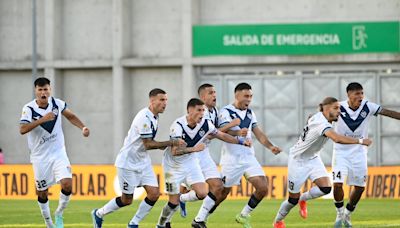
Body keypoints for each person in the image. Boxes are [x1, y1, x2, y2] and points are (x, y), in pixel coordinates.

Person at [91, 88, 186, 228]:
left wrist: (162, 145)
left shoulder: (154, 116)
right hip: (128, 163)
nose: (165, 103)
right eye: (162, 100)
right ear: (152, 101)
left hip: (143, 162)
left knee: (154, 194)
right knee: (127, 200)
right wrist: (171, 143)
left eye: (166, 100)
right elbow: (148, 144)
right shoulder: (144, 118)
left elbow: (148, 142)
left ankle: (133, 223)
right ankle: (99, 214)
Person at [272, 97, 372, 228]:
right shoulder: (322, 124)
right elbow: (336, 138)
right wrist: (360, 141)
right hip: (297, 160)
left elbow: (311, 117)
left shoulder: (319, 116)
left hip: (313, 158)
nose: (339, 112)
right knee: (292, 199)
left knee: (326, 188)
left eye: (340, 108)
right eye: (336, 108)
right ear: (326, 108)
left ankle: (303, 199)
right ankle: (278, 221)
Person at [156, 98, 251, 228]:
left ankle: (189, 208)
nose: (202, 113)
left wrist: (240, 141)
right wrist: (193, 149)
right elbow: (174, 151)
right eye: (199, 110)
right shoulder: (178, 125)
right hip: (172, 166)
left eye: (203, 110)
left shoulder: (206, 124)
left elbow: (221, 135)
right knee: (173, 202)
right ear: (189, 110)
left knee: (202, 193)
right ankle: (161, 224)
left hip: (190, 162)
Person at [19, 77, 90, 228]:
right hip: (39, 157)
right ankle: (48, 222)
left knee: (67, 184)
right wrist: (42, 120)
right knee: (42, 192)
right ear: (35, 91)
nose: (43, 93)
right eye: (40, 90)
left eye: (46, 89)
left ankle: (59, 213)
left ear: (50, 89)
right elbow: (22, 129)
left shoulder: (57, 103)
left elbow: (70, 116)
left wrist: (83, 127)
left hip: (58, 152)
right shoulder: (29, 108)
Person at [332, 82, 400, 228]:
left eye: (362, 93)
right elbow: (324, 115)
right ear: (348, 95)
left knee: (360, 187)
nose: (360, 96)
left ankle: (348, 213)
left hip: (359, 152)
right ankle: (339, 213)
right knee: (337, 184)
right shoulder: (338, 107)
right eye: (357, 94)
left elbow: (387, 112)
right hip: (340, 152)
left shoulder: (368, 106)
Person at [217, 82, 282, 228]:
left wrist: (271, 146)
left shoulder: (250, 113)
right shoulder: (226, 111)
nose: (249, 99)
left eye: (251, 96)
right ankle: (202, 218)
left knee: (263, 188)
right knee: (221, 194)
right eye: (246, 96)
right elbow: (221, 131)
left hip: (248, 157)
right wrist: (237, 133)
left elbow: (259, 134)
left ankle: (243, 215)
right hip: (231, 159)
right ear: (237, 95)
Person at [178, 84, 241, 227]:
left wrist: (239, 136)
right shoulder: (201, 113)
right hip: (192, 153)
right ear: (202, 97)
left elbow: (220, 131)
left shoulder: (215, 111)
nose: (214, 95)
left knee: (218, 187)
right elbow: (212, 134)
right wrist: (231, 124)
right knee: (201, 192)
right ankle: (179, 200)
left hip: (204, 153)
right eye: (211, 93)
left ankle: (198, 220)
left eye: (215, 92)